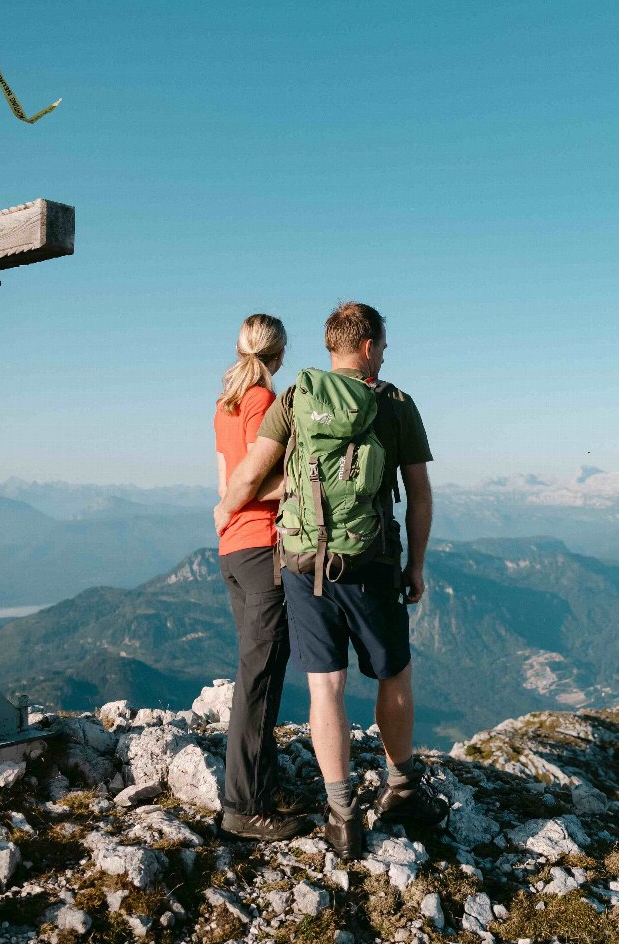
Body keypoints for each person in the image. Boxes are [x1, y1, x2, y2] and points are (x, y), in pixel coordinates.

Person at [214, 301, 444, 858]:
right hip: (370, 563)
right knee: (393, 673)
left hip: (301, 565)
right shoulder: (394, 403)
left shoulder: (294, 398)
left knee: (325, 686)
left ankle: (341, 815)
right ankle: (401, 789)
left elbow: (250, 473)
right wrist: (415, 564)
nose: (385, 355)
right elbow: (418, 494)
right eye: (383, 346)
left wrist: (225, 510)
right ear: (367, 347)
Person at [212, 313, 312, 842]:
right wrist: (300, 486)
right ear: (280, 354)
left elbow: (226, 480)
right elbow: (253, 480)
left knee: (259, 675)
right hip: (262, 549)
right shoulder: (263, 403)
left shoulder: (224, 405)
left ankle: (259, 790)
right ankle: (243, 807)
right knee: (260, 680)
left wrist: (224, 509)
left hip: (233, 549)